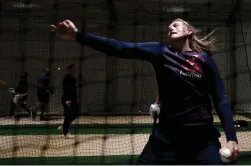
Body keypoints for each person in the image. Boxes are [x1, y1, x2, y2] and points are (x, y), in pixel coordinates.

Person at [51, 19, 239, 164]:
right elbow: (120, 48)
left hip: (201, 139)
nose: (170, 28)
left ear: (189, 31)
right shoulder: (160, 51)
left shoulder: (205, 60)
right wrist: (78, 35)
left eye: (176, 25)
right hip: (165, 139)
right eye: (169, 27)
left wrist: (231, 138)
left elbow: (220, 99)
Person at [57, 63, 79, 139]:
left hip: (73, 98)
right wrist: (68, 100)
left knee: (76, 113)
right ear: (69, 69)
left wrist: (75, 98)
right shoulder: (67, 77)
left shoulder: (72, 77)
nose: (74, 69)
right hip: (67, 99)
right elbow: (66, 89)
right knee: (68, 115)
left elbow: (73, 89)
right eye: (73, 68)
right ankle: (66, 133)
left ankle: (63, 127)